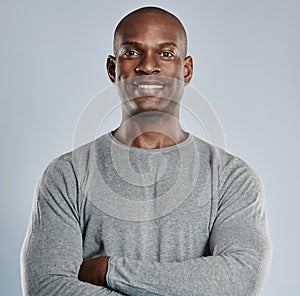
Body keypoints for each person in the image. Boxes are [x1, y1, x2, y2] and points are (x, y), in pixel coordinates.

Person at [20, 6, 272, 296]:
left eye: (166, 54)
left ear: (186, 69)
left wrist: (109, 270)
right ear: (113, 69)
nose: (148, 66)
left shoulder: (233, 178)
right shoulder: (67, 175)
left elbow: (241, 279)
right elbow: (47, 287)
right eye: (131, 52)